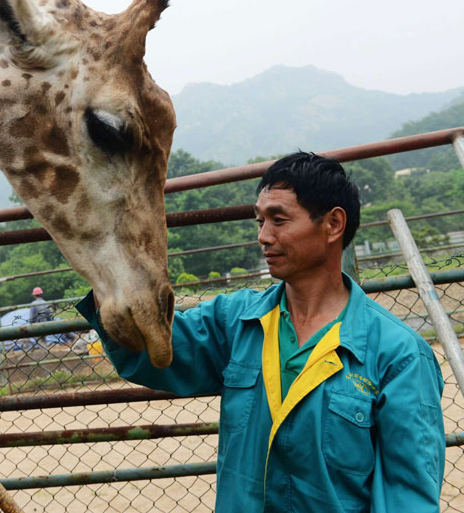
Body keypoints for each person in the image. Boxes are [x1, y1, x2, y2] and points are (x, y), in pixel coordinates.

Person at [77, 152, 445, 512]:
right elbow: (152, 349)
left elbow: (405, 493)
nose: (263, 237)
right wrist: (108, 272)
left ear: (333, 224)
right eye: (259, 222)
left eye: (279, 220)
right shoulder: (235, 321)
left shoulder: (399, 355)